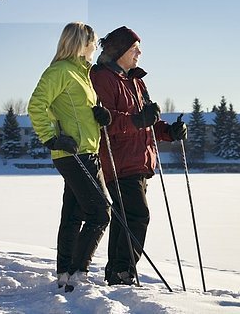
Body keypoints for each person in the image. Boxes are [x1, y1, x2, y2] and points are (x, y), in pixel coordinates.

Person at [90, 26, 187, 285]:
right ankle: (123, 271)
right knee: (137, 215)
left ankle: (117, 272)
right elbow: (104, 121)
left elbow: (146, 121)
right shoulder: (102, 78)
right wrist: (137, 120)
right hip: (118, 160)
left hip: (139, 160)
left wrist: (169, 131)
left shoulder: (136, 81)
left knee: (126, 218)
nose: (139, 53)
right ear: (120, 51)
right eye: (134, 49)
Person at [27, 22, 113, 289]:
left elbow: (75, 112)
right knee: (101, 213)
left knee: (74, 214)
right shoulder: (60, 71)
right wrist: (52, 138)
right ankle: (78, 272)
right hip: (74, 152)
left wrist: (100, 117)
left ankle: (65, 273)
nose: (96, 46)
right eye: (94, 41)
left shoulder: (82, 74)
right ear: (81, 43)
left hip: (86, 150)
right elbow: (35, 105)